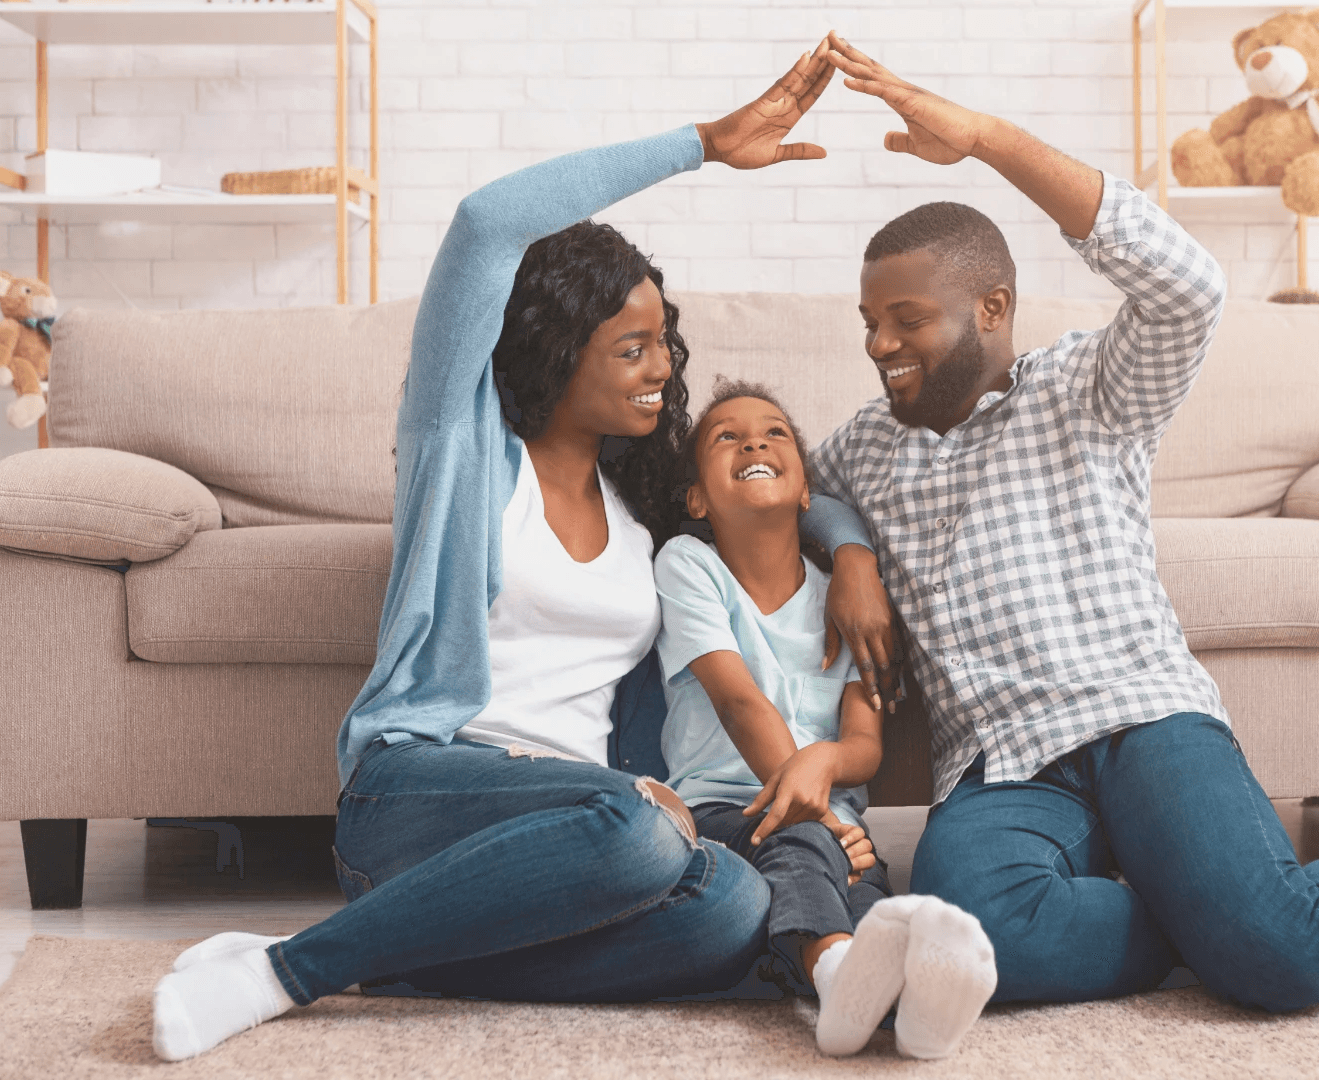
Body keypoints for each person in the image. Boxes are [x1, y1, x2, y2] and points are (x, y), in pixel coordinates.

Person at [808, 32, 1319, 1011]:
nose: (880, 345)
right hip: (999, 766)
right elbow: (787, 483)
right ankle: (1251, 913)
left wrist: (986, 139)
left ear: (993, 308)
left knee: (1283, 964)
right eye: (869, 323)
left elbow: (1188, 284)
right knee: (969, 938)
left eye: (906, 318)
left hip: (1143, 722)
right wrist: (848, 552)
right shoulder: (869, 444)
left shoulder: (1089, 387)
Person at [148, 40, 890, 1062]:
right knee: (642, 828)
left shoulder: (646, 516)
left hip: (570, 845)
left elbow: (783, 497)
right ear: (555, 347)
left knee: (731, 908)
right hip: (422, 795)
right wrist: (704, 145)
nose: (661, 368)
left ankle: (382, 953)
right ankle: (289, 974)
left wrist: (849, 554)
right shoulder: (461, 446)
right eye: (631, 349)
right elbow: (487, 223)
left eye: (663, 342)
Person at [654, 382, 996, 1058]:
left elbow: (863, 746)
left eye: (774, 432)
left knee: (875, 899)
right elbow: (740, 703)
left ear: (808, 492)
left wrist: (828, 772)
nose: (753, 440)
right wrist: (826, 818)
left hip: (837, 826)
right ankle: (835, 979)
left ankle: (903, 1014)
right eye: (726, 437)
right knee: (804, 846)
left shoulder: (843, 607)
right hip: (723, 806)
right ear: (696, 498)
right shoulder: (688, 565)